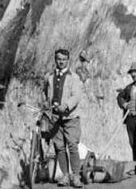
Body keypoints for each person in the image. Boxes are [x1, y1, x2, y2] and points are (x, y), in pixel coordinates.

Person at [44, 49, 84, 187]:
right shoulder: (49, 77)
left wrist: (66, 106)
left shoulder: (74, 77)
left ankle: (76, 176)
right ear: (55, 60)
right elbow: (45, 93)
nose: (61, 61)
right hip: (55, 118)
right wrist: (46, 103)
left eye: (64, 59)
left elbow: (76, 96)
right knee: (59, 147)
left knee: (72, 146)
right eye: (59, 59)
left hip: (70, 117)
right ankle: (65, 176)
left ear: (68, 60)